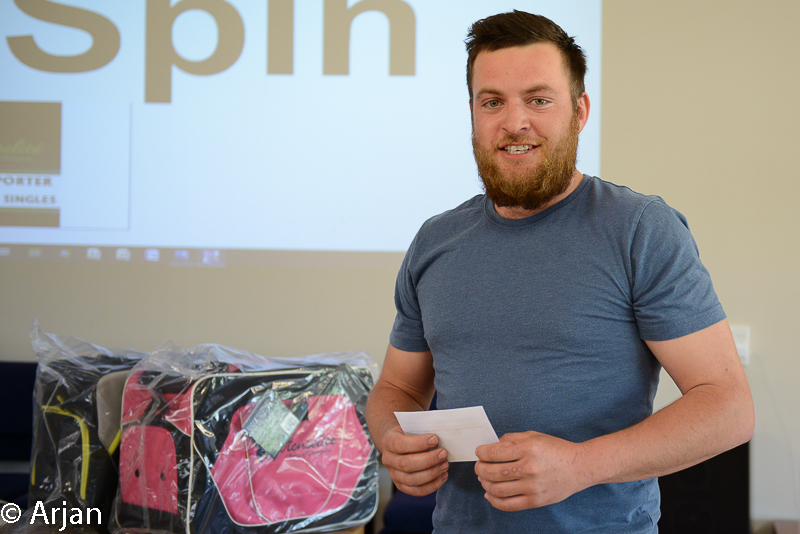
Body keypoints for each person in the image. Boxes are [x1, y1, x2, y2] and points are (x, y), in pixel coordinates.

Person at [364, 10, 754, 533]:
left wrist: (580, 465)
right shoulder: (435, 242)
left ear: (580, 110)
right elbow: (397, 388)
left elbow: (728, 407)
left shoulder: (640, 229)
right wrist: (391, 438)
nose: (514, 122)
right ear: (473, 112)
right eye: (492, 102)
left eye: (538, 99)